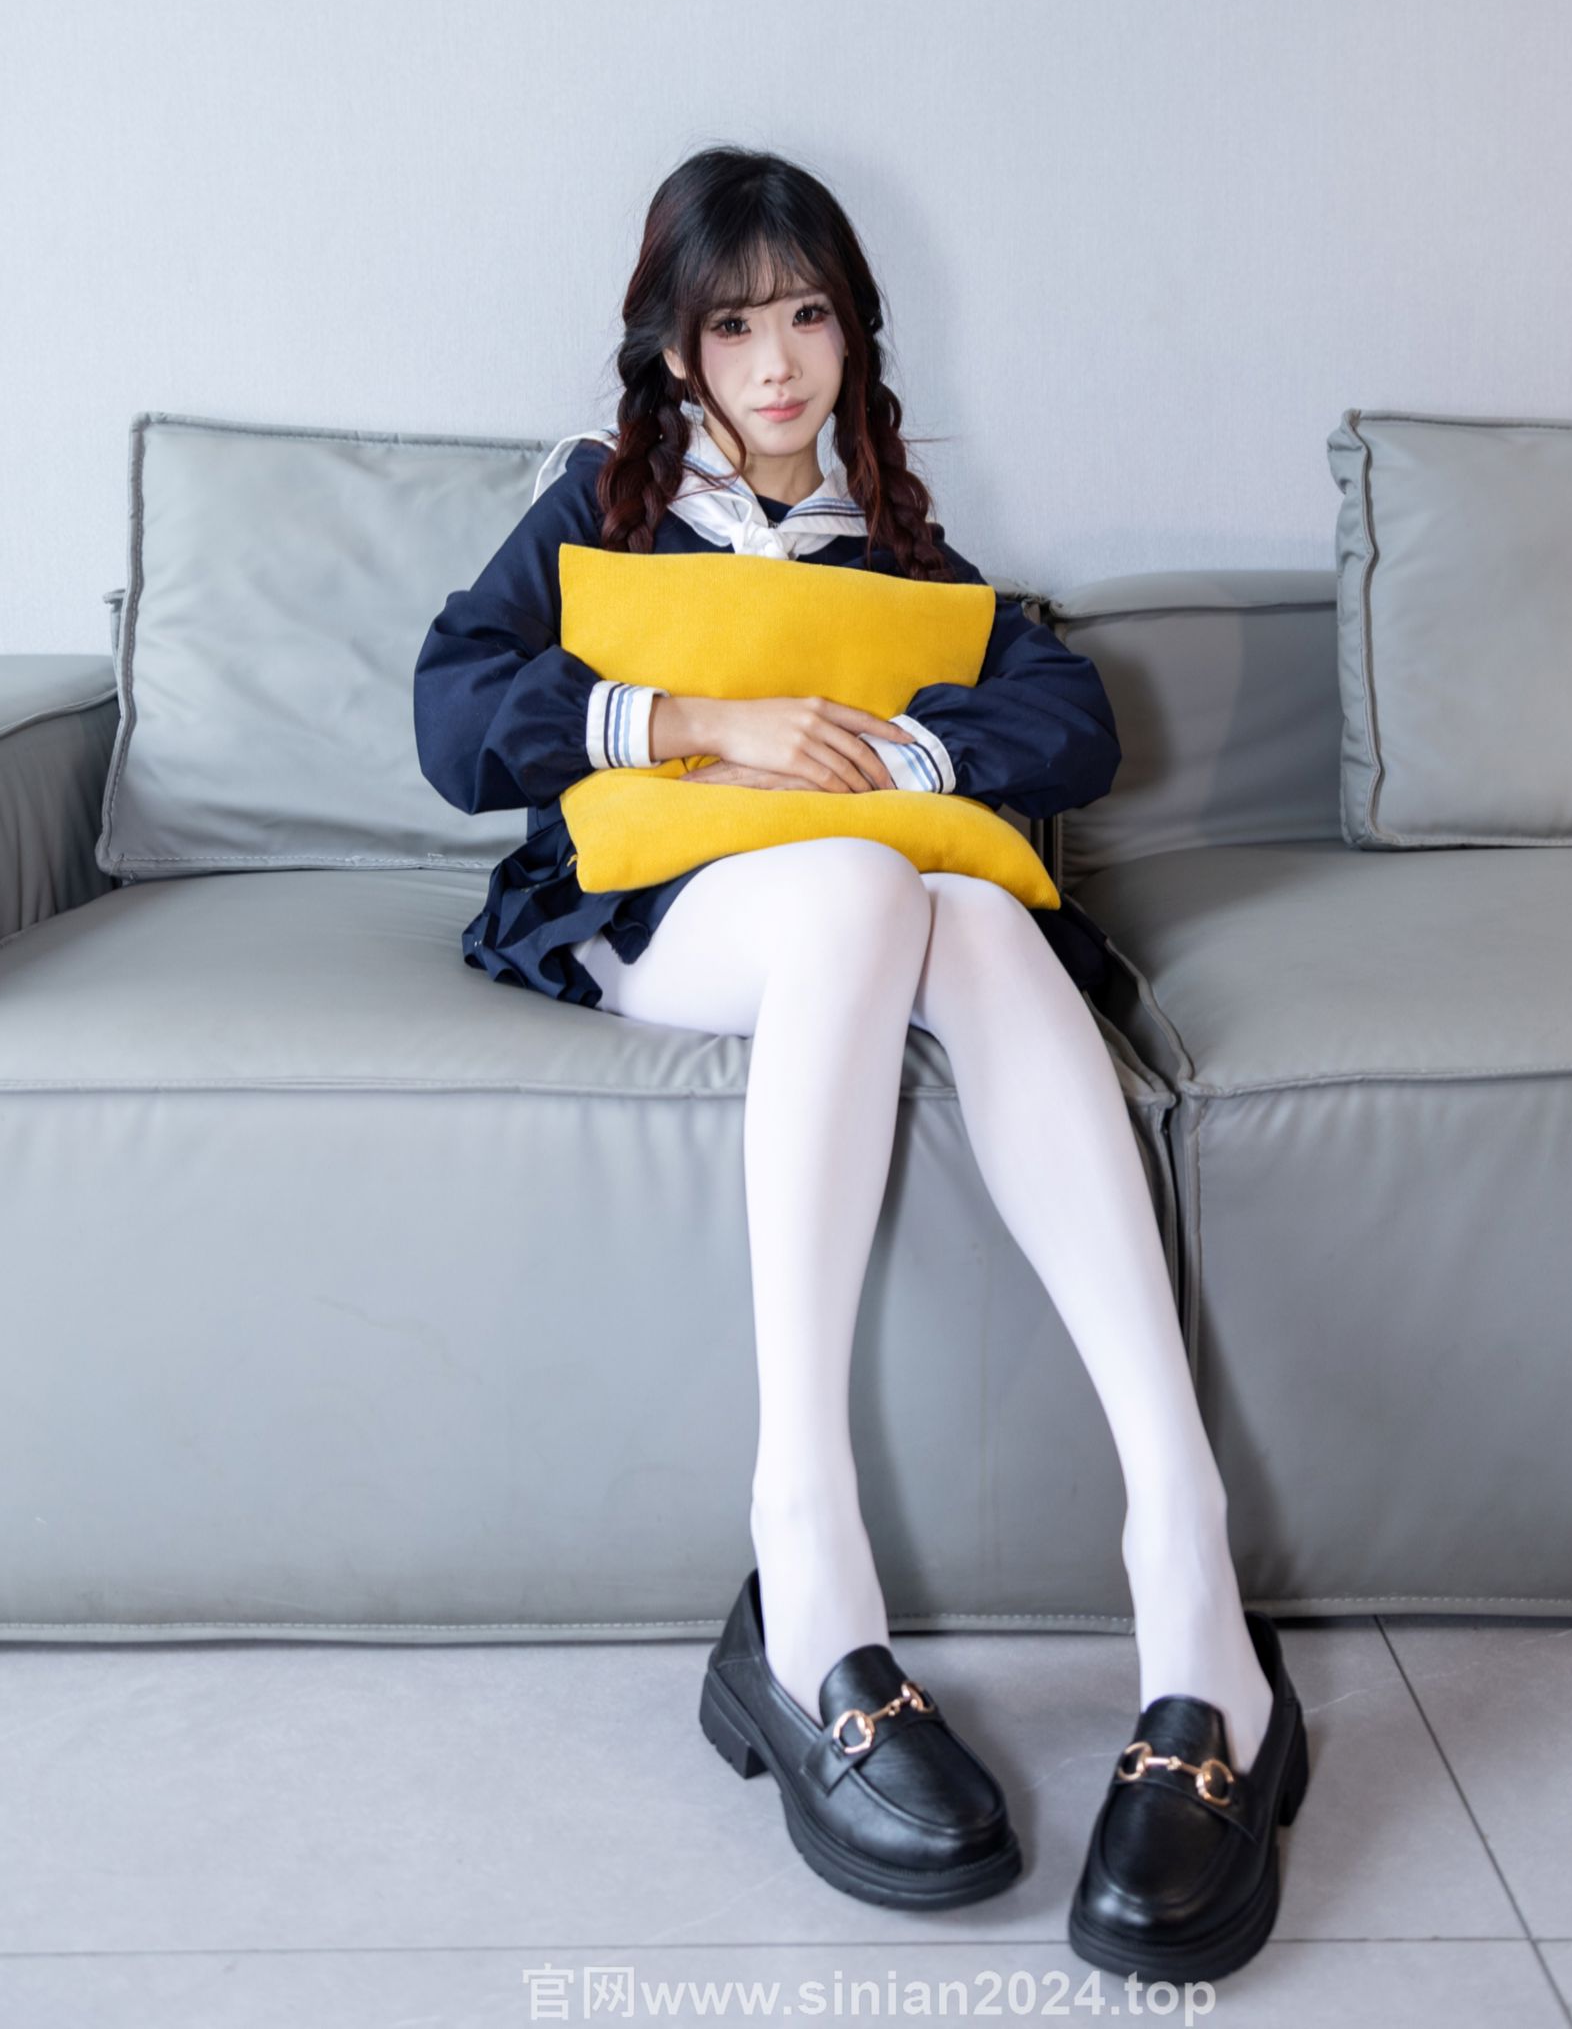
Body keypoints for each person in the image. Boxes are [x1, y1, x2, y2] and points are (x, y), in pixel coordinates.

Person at [412, 145, 1308, 1979]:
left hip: (861, 905)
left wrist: (899, 755)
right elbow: (451, 710)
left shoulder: (886, 527)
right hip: (666, 913)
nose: (777, 363)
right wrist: (701, 719)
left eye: (809, 317)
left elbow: (1065, 712)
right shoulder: (601, 498)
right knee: (852, 884)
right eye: (736, 324)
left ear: (854, 334)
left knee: (961, 908)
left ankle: (1187, 1574)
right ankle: (807, 1570)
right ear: (676, 347)